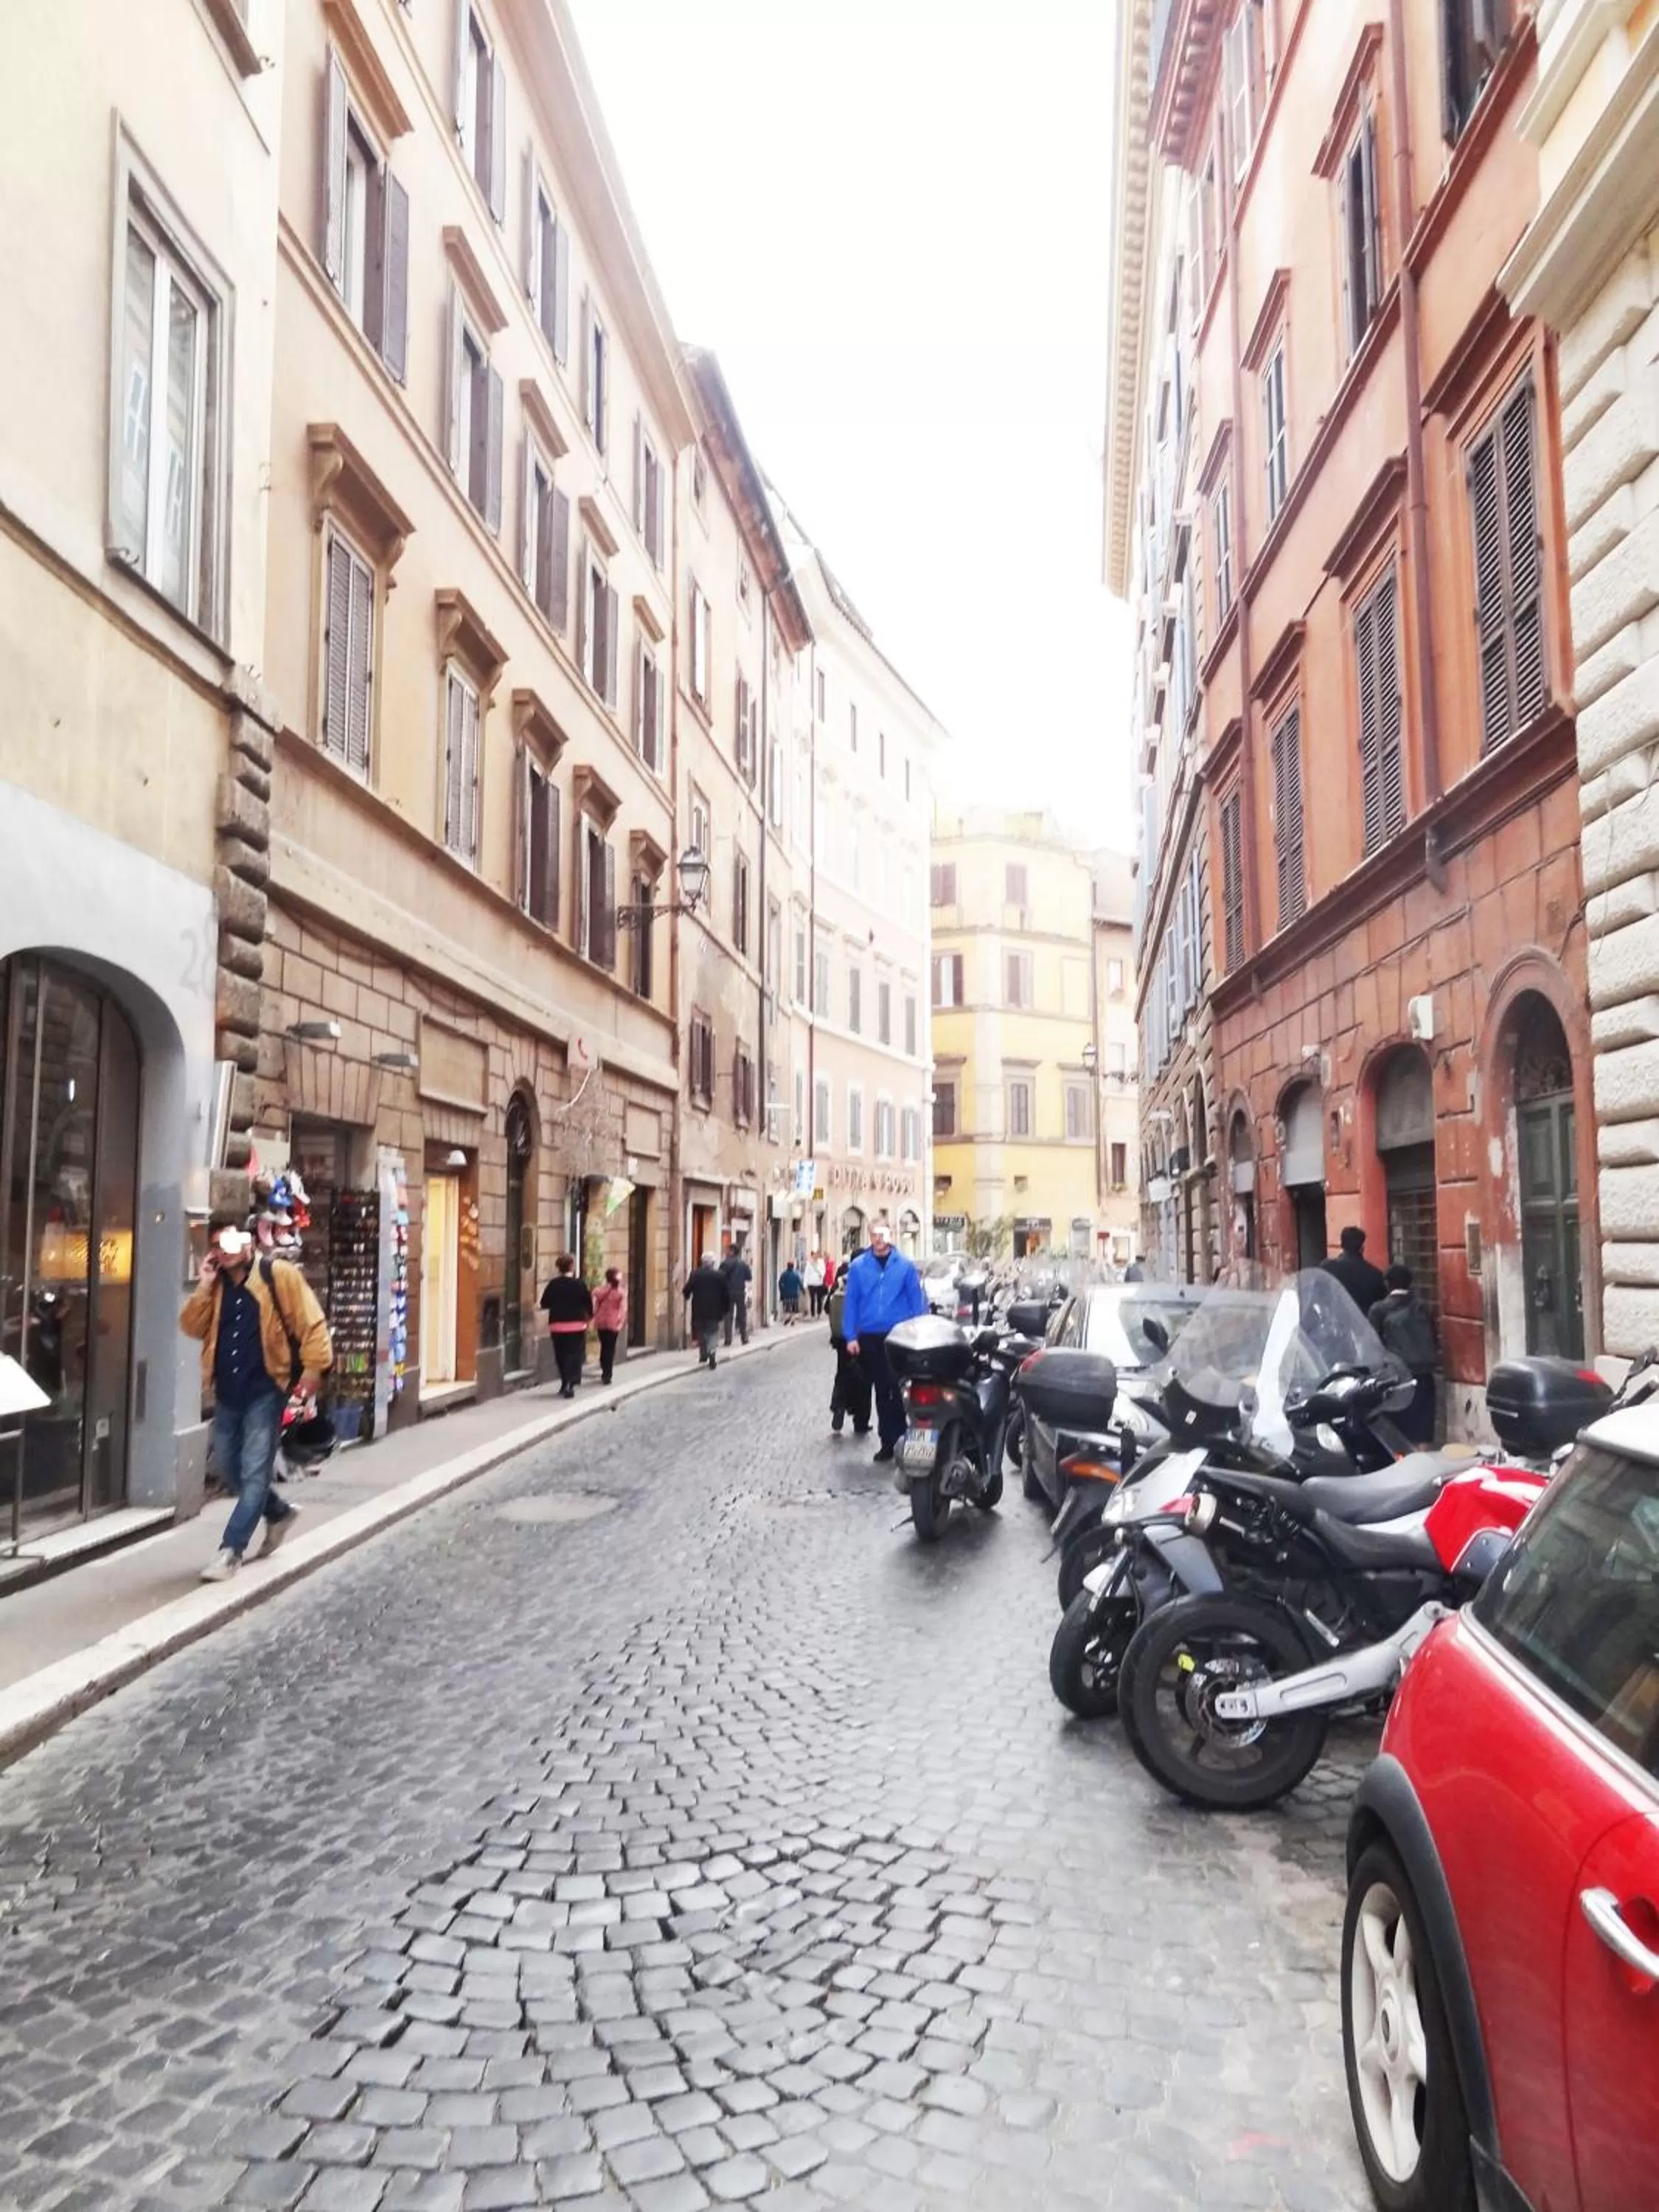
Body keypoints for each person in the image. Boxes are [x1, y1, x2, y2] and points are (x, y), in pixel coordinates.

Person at [181, 1209, 333, 1582]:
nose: (226, 1250)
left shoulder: (277, 1275)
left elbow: (311, 1322)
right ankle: (278, 1512)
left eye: (232, 1241)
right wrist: (203, 1284)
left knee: (253, 1471)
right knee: (229, 1468)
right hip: (228, 1392)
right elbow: (190, 1326)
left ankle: (230, 1550)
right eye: (217, 1245)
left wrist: (313, 1372)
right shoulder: (216, 1287)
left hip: (267, 1388)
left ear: (249, 1241)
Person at [842, 1219, 928, 1463]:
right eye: (873, 1234)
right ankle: (887, 1442)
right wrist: (851, 1336)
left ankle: (902, 1436)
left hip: (899, 1335)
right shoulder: (858, 1267)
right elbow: (852, 1304)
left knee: (899, 1388)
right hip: (870, 1337)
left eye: (882, 1234)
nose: (877, 1239)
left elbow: (916, 1301)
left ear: (890, 1236)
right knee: (882, 1389)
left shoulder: (905, 1267)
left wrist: (920, 1331)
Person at [1368, 1264, 1439, 1444]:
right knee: (1422, 1429)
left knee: (1397, 1430)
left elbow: (1372, 1346)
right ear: (1410, 1284)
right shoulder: (1423, 1308)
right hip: (1424, 1375)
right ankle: (1423, 1467)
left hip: (1396, 1378)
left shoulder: (1379, 1310)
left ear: (1387, 1284)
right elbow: (1434, 1337)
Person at [827, 1258, 872, 1437]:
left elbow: (826, 1307)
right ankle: (860, 1420)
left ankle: (838, 1405)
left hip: (841, 1340)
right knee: (863, 1380)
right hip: (862, 1339)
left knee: (843, 1374)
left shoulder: (841, 1280)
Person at [540, 1255, 593, 1399]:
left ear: (559, 1268)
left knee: (561, 1354)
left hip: (557, 1324)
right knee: (574, 1354)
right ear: (571, 1267)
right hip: (576, 1324)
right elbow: (588, 1303)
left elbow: (544, 1303)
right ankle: (571, 1382)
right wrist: (590, 1316)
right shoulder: (579, 1284)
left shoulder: (553, 1284)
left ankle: (565, 1381)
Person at [1323, 1224, 1389, 1316]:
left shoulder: (1328, 1268)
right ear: (1362, 1247)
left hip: (1336, 1325)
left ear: (1342, 1245)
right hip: (1364, 1326)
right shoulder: (1376, 1274)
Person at [684, 1253, 731, 1368]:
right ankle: (712, 1353)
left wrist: (687, 1296)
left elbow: (687, 1289)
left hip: (699, 1309)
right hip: (715, 1310)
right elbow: (726, 1294)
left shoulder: (695, 1274)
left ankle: (703, 1354)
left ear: (702, 1262)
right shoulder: (720, 1275)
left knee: (701, 1332)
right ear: (713, 1263)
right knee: (713, 1332)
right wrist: (726, 1308)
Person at [592, 1267, 627, 1385]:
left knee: (604, 1346)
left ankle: (604, 1367)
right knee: (610, 1348)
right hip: (613, 1323)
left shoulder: (599, 1290)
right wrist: (621, 1322)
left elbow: (595, 1305)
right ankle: (608, 1373)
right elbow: (623, 1309)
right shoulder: (620, 1292)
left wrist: (594, 1317)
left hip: (601, 1322)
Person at [720, 1242, 753, 1346]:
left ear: (732, 1251)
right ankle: (744, 1338)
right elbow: (749, 1277)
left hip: (728, 1292)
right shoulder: (743, 1264)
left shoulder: (725, 1263)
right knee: (742, 1315)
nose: (727, 1252)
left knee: (728, 1316)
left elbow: (720, 1276)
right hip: (740, 1292)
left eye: (728, 1250)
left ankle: (728, 1340)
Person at [778, 1259, 804, 1324]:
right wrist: (803, 1291)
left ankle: (788, 1317)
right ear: (793, 1267)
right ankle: (792, 1319)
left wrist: (781, 1291)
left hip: (786, 1294)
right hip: (794, 1294)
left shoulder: (784, 1274)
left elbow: (780, 1283)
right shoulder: (796, 1275)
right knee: (793, 1308)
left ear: (787, 1266)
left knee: (787, 1307)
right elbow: (800, 1283)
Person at [804, 1251, 828, 1318]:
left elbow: (824, 1271)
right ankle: (812, 1314)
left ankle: (819, 1313)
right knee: (812, 1299)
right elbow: (806, 1273)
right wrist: (805, 1284)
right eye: (814, 1255)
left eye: (816, 1255)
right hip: (811, 1283)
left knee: (819, 1299)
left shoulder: (821, 1262)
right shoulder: (809, 1263)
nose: (815, 1256)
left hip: (819, 1283)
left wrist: (821, 1275)